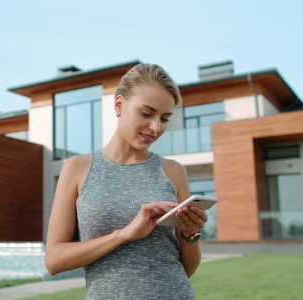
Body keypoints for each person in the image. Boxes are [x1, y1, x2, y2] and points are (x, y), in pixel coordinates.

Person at [44, 63, 209, 299]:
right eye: (146, 113)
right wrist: (123, 235)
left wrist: (190, 234)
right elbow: (53, 260)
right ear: (119, 105)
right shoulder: (77, 169)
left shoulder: (173, 171)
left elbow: (187, 269)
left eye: (164, 118)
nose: (155, 127)